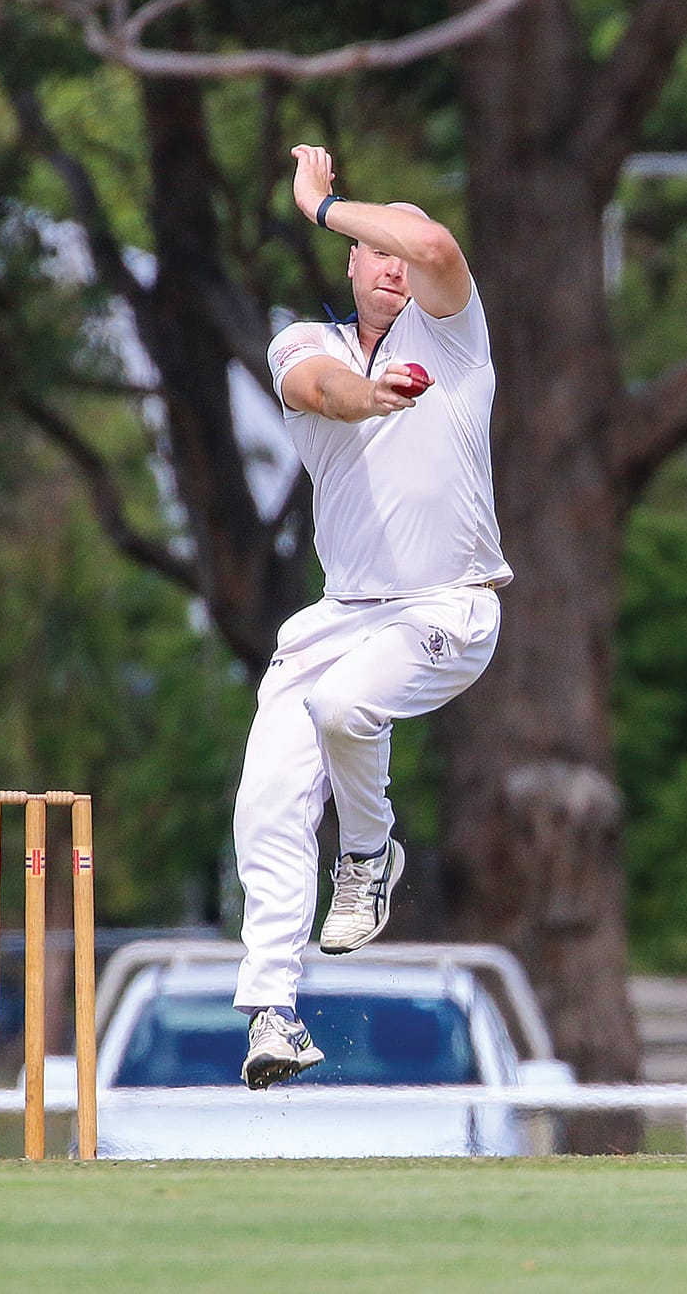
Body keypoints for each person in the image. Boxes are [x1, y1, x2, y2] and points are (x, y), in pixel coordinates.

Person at [233, 146, 509, 1090]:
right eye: (374, 250)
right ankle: (273, 1011)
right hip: (342, 611)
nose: (394, 263)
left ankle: (365, 854)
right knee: (269, 792)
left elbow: (434, 246)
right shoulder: (302, 340)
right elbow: (322, 391)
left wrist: (322, 204)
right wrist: (371, 398)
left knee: (346, 706)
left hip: (449, 604)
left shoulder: (453, 333)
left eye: (399, 247)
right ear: (351, 265)